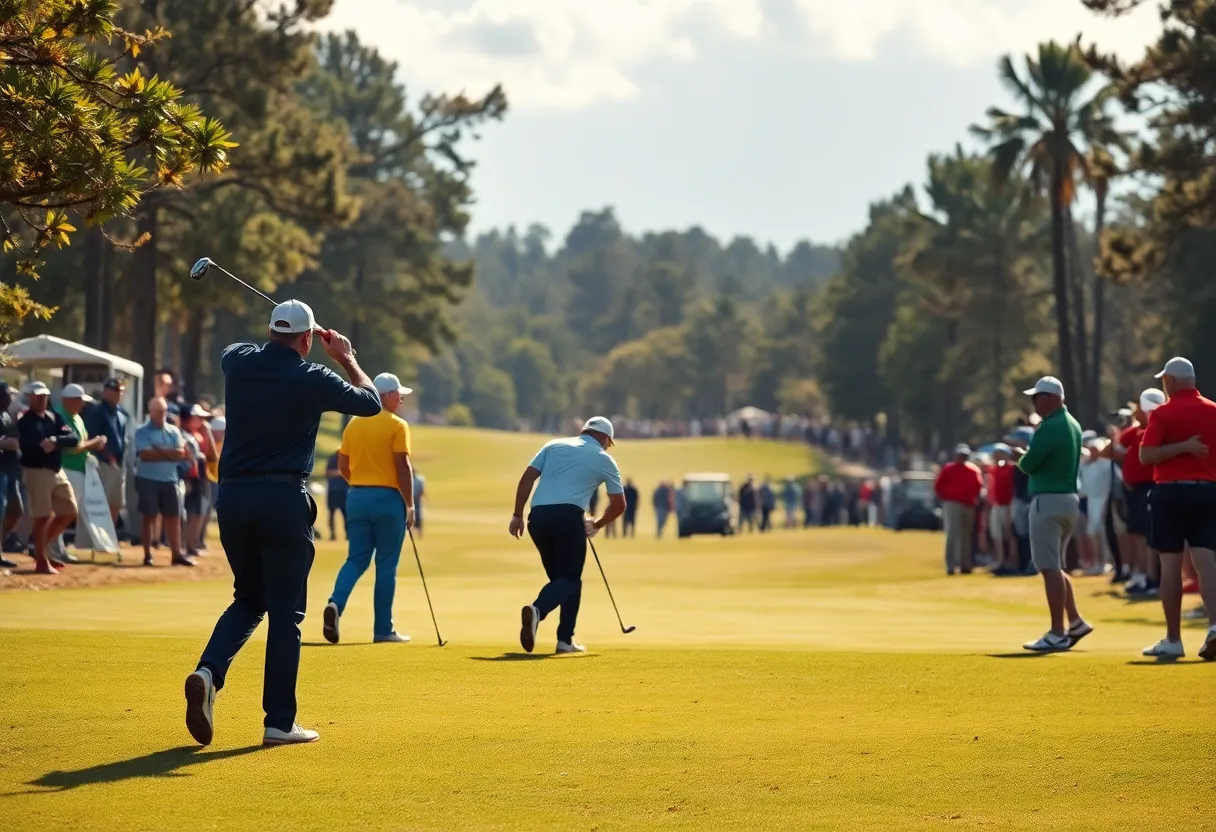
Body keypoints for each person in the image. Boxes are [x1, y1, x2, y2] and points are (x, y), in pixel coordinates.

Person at [185, 300, 380, 748]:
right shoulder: (313, 376)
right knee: (285, 613)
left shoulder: (239, 363)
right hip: (282, 501)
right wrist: (346, 357)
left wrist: (279, 335)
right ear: (308, 338)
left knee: (249, 598)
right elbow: (370, 402)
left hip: (234, 500)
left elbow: (233, 349)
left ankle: (208, 672)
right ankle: (278, 721)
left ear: (272, 330)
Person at [510, 416, 626, 655]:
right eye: (609, 443)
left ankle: (565, 640)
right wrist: (597, 524)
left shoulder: (553, 445)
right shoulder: (604, 458)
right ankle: (537, 610)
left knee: (563, 581)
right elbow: (619, 505)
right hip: (567, 519)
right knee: (570, 579)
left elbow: (528, 477)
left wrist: (517, 514)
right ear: (605, 438)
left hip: (538, 519)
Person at [323, 373, 415, 645]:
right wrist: (410, 504)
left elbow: (343, 466)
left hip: (356, 497)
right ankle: (383, 629)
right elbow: (403, 466)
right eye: (398, 394)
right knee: (386, 565)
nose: (401, 398)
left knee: (356, 559)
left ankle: (335, 603)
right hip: (388, 499)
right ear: (386, 396)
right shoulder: (397, 425)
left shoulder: (354, 424)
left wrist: (359, 484)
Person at [1137, 357, 1216, 661]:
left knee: (1170, 566)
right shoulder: (1213, 410)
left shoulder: (1163, 412)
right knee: (1206, 562)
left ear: (1169, 380)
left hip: (1171, 493)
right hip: (1208, 492)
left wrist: (1179, 447)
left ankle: (1173, 639)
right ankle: (1214, 627)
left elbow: (1146, 456)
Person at [1016, 376, 1092, 652]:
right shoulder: (1072, 423)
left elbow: (1029, 464)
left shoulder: (1049, 426)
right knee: (1056, 567)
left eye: (1036, 397)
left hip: (1048, 501)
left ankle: (1057, 632)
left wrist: (1018, 457)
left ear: (1050, 397)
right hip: (1068, 500)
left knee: (1048, 568)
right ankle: (1075, 622)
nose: (1033, 402)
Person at [18, 381, 82, 574]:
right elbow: (28, 446)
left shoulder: (54, 418)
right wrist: (43, 446)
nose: (42, 399)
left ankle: (38, 547)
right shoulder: (25, 421)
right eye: (38, 395)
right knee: (43, 516)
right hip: (36, 471)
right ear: (29, 397)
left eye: (44, 395)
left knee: (69, 510)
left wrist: (55, 440)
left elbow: (73, 438)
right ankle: (41, 560)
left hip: (56, 470)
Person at [1113, 390, 1166, 597]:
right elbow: (1114, 450)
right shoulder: (1135, 432)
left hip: (1150, 486)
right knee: (1137, 533)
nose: (1136, 413)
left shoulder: (1155, 429)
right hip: (1134, 490)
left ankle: (1152, 578)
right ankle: (1141, 575)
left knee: (1149, 535)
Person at [134, 397, 192, 567]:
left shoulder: (173, 431)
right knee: (149, 516)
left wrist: (158, 449)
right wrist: (170, 453)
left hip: (170, 479)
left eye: (164, 411)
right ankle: (147, 555)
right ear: (151, 412)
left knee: (174, 517)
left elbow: (181, 454)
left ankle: (176, 554)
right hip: (148, 479)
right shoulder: (141, 431)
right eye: (159, 411)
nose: (163, 414)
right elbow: (145, 455)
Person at [56, 384, 107, 560]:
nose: (82, 404)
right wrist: (92, 444)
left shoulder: (77, 417)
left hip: (78, 468)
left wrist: (92, 446)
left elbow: (81, 442)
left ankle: (60, 549)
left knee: (70, 511)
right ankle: (56, 549)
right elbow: (69, 448)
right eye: (78, 400)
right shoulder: (60, 416)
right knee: (65, 511)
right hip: (65, 468)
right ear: (67, 400)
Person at [83, 377, 128, 526]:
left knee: (116, 502)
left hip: (119, 464)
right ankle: (99, 532)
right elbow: (92, 436)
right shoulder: (97, 411)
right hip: (103, 463)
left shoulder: (121, 414)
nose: (117, 394)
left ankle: (110, 533)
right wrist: (107, 456)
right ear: (105, 392)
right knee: (102, 501)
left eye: (119, 391)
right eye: (113, 390)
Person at [934, 444, 983, 575]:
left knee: (966, 535)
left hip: (969, 504)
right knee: (953, 534)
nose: (962, 457)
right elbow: (938, 485)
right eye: (960, 455)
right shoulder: (948, 468)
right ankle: (951, 565)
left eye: (965, 455)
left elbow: (978, 487)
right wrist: (945, 498)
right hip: (952, 503)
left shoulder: (973, 470)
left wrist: (975, 500)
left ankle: (965, 564)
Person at [181, 405, 218, 557]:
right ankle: (187, 546)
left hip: (200, 476)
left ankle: (192, 545)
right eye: (199, 418)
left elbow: (211, 454)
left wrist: (207, 432)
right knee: (190, 513)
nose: (202, 421)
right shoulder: (185, 434)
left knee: (198, 513)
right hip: (189, 476)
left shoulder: (199, 434)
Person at [1078, 437, 1114, 576]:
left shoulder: (1106, 464)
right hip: (1091, 502)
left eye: (1095, 449)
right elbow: (1084, 488)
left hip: (1104, 500)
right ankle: (1097, 563)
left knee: (1103, 532)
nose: (1093, 452)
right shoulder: (1086, 466)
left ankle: (1106, 562)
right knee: (1092, 532)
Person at [988, 445, 1017, 575]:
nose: (996, 456)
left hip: (1009, 505)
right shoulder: (994, 469)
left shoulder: (1011, 468)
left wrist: (1011, 507)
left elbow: (1013, 489)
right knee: (997, 535)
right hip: (997, 505)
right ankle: (1000, 561)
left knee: (1010, 534)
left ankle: (1012, 562)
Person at [0, 383, 20, 570]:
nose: (11, 398)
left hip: (9, 469)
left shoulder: (6, 415)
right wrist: (4, 443)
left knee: (15, 509)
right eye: (8, 395)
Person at [325, 451, 347, 541]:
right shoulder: (333, 458)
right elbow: (327, 473)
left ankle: (347, 534)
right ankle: (332, 534)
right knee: (332, 513)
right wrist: (340, 473)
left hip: (343, 490)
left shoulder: (347, 458)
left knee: (345, 514)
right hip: (334, 490)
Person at [412, 471, 426, 538]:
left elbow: (422, 490)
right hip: (412, 500)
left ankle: (419, 531)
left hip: (416, 500)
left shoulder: (418, 480)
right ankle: (415, 531)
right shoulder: (418, 480)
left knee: (418, 515)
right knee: (414, 515)